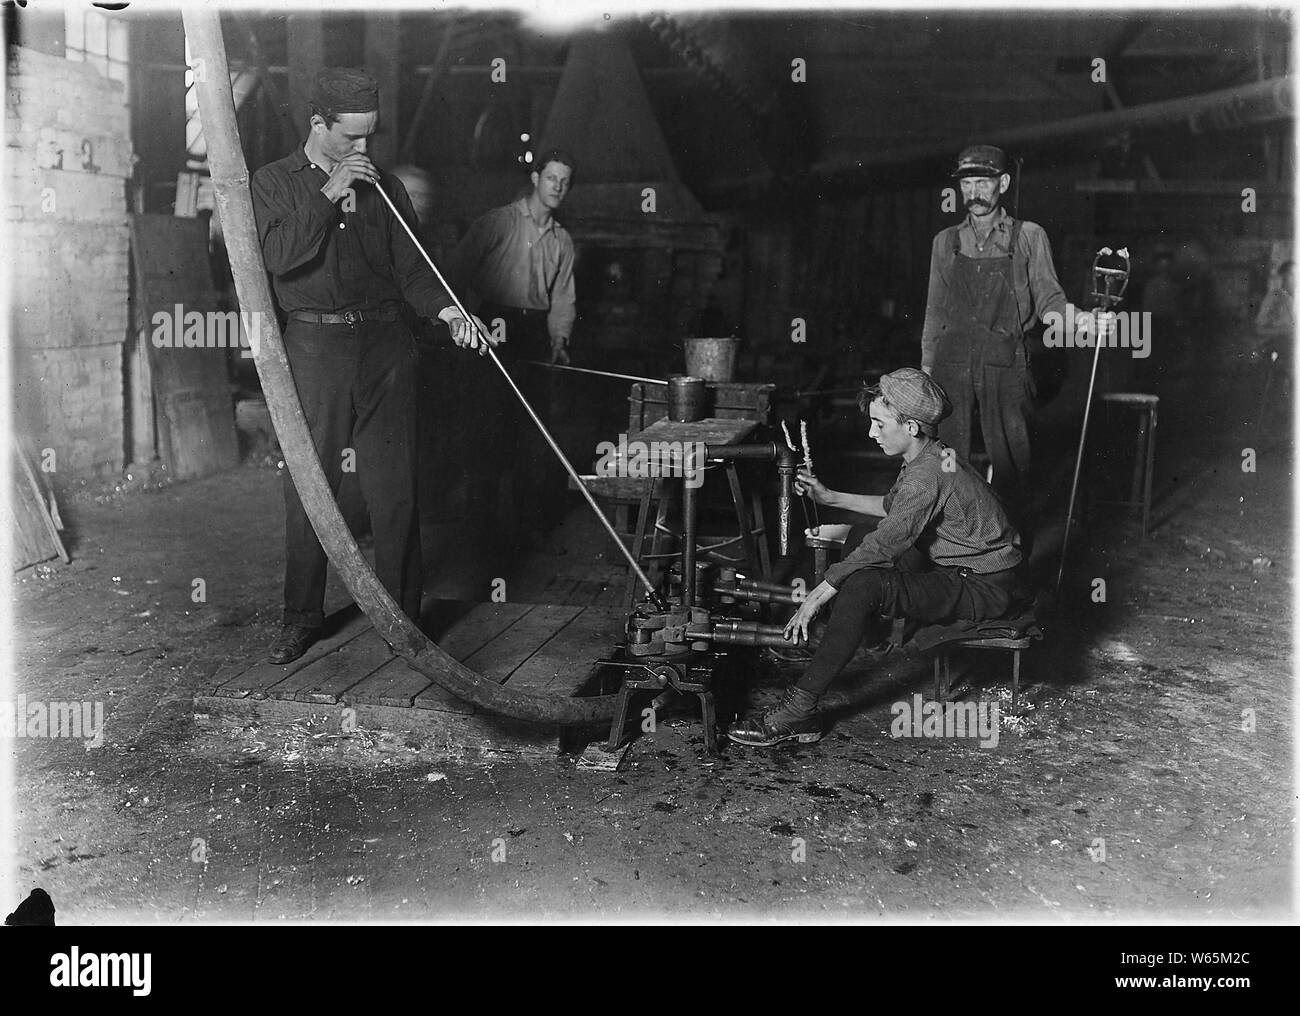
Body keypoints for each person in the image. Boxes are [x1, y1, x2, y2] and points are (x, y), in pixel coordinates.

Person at [251, 67, 494, 665]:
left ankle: (404, 621)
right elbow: (278, 259)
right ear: (317, 124)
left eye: (370, 137)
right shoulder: (273, 183)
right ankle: (300, 616)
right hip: (314, 348)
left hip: (387, 345)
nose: (363, 151)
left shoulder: (385, 188)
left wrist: (449, 312)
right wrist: (328, 191)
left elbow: (414, 271)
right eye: (351, 139)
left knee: (396, 486)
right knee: (311, 484)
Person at [728, 368, 1030, 748]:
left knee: (862, 582)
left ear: (912, 427)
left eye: (879, 424)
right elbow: (895, 509)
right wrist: (832, 498)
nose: (871, 433)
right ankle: (851, 634)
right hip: (971, 571)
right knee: (859, 548)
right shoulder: (934, 457)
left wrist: (818, 594)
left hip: (984, 587)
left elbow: (888, 541)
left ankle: (798, 713)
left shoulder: (926, 475)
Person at [920, 144, 1070, 521]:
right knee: (945, 462)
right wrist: (925, 374)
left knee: (1014, 465)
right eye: (967, 184)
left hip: (1005, 367)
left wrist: (1078, 321)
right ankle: (951, 547)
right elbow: (934, 313)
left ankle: (1010, 555)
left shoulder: (1029, 236)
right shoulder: (946, 242)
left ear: (1002, 183)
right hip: (950, 365)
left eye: (982, 183)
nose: (974, 193)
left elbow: (1050, 298)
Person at [450, 151, 578, 536]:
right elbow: (456, 271)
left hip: (534, 335)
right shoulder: (498, 222)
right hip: (492, 328)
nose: (557, 187)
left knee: (531, 434)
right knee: (488, 429)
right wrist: (460, 319)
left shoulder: (562, 240)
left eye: (565, 181)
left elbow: (563, 297)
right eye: (552, 177)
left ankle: (526, 530)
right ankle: (480, 529)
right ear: (536, 177)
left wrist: (559, 339)